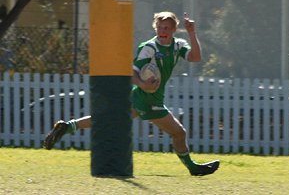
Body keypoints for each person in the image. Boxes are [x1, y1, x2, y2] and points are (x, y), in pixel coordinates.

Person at [44, 11, 220, 176]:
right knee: (179, 133)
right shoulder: (149, 48)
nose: (162, 31)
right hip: (147, 99)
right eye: (159, 27)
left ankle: (68, 126)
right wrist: (143, 84)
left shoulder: (178, 45)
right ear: (155, 28)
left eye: (166, 28)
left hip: (145, 96)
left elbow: (196, 57)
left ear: (174, 30)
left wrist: (191, 32)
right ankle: (192, 168)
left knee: (109, 118)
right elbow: (132, 72)